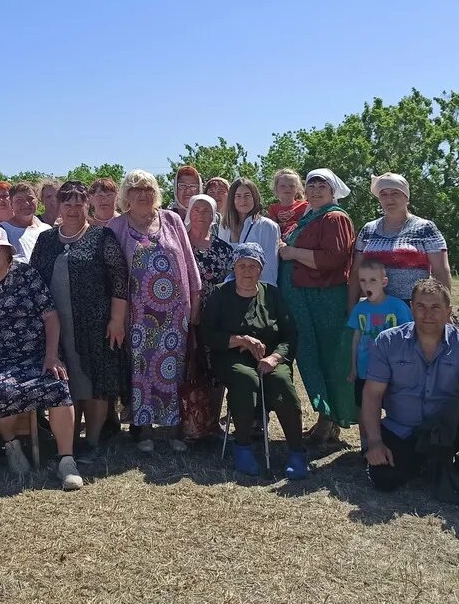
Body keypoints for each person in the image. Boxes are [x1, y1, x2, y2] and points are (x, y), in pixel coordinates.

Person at [0, 227, 83, 490]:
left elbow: (50, 316)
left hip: (37, 353)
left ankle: (66, 461)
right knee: (3, 390)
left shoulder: (27, 275)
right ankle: (12, 446)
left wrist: (52, 356)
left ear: (8, 252)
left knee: (58, 385)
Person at [362, 278, 459, 508]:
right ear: (412, 308)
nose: (428, 314)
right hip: (402, 429)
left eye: (436, 307)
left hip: (444, 431)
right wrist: (374, 442)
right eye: (421, 307)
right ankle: (434, 468)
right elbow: (372, 395)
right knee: (384, 479)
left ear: (448, 311)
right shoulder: (388, 341)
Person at [29, 181, 129, 459]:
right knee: (67, 381)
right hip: (56, 325)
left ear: (88, 205)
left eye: (79, 203)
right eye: (67, 203)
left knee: (94, 382)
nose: (73, 209)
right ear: (58, 206)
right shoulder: (46, 240)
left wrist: (117, 320)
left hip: (96, 325)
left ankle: (93, 440)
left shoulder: (102, 237)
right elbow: (34, 280)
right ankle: (68, 441)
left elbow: (120, 280)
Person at [106, 170, 201, 452]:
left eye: (148, 188)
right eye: (136, 189)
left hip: (174, 313)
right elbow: (112, 274)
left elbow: (189, 263)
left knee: (174, 368)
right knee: (141, 369)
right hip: (137, 315)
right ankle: (144, 429)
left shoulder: (171, 220)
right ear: (126, 196)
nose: (143, 194)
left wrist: (194, 304)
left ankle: (174, 429)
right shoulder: (116, 226)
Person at [200, 243, 308, 479]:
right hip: (231, 357)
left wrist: (275, 357)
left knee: (281, 382)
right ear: (234, 268)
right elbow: (207, 334)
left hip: (269, 358)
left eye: (253, 266)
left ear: (261, 269)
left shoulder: (272, 294)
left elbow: (290, 334)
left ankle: (297, 452)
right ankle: (243, 446)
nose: (247, 271)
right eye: (242, 265)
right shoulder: (220, 293)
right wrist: (240, 340)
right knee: (245, 379)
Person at [277, 168, 358, 445]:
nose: (314, 190)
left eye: (321, 185)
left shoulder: (334, 217)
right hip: (304, 299)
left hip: (323, 299)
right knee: (312, 358)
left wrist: (291, 252)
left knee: (328, 359)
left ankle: (330, 420)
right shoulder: (310, 215)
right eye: (311, 185)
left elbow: (333, 259)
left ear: (332, 190)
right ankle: (325, 418)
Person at [349, 173, 451, 305]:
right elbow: (356, 271)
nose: (389, 199)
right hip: (374, 309)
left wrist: (444, 308)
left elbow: (441, 271)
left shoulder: (425, 228)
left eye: (395, 193)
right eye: (383, 194)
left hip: (414, 308)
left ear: (406, 197)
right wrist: (352, 307)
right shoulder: (368, 230)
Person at [180, 194, 234, 441]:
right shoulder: (179, 244)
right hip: (182, 311)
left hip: (215, 313)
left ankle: (211, 422)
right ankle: (187, 422)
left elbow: (230, 283)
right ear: (189, 212)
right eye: (196, 209)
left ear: (215, 216)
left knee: (214, 367)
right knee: (186, 365)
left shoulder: (224, 249)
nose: (201, 214)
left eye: (207, 210)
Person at [346, 259, 413, 412]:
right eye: (362, 280)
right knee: (364, 409)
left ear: (384, 282)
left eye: (372, 280)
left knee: (394, 408)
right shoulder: (360, 309)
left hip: (393, 371)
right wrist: (353, 368)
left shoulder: (398, 307)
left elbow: (409, 336)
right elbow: (356, 339)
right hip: (365, 369)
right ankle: (366, 437)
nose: (367, 285)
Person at [218, 178, 281, 288]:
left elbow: (270, 267)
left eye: (247, 195)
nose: (243, 200)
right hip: (227, 291)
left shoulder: (267, 226)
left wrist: (266, 294)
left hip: (254, 291)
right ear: (232, 199)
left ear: (255, 198)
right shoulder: (224, 226)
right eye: (238, 196)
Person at [0, 182, 51, 262]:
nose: (26, 203)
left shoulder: (47, 230)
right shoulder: (2, 230)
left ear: (37, 201)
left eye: (30, 199)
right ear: (11, 204)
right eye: (19, 200)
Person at [267, 168, 309, 238]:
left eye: (292, 186)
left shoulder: (305, 206)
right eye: (283, 186)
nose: (287, 188)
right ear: (276, 188)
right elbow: (271, 229)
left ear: (298, 188)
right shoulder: (273, 209)